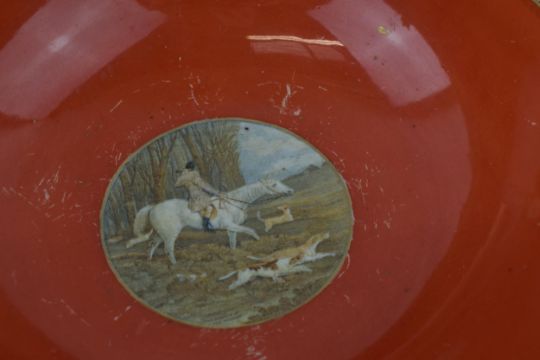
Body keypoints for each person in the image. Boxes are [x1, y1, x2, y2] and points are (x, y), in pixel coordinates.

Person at [175, 161, 221, 232]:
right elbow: (203, 185)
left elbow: (177, 184)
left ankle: (207, 224)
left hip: (192, 195)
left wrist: (183, 174)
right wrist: (216, 192)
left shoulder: (184, 176)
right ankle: (205, 227)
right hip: (198, 195)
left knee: (206, 208)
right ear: (193, 168)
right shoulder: (193, 174)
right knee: (209, 207)